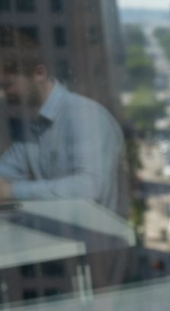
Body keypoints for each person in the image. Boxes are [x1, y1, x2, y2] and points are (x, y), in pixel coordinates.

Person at [0, 30, 126, 216]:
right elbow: (6, 172)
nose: (2, 95)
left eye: (6, 85)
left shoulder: (86, 116)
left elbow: (91, 189)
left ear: (39, 73)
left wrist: (12, 191)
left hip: (97, 234)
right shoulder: (31, 125)